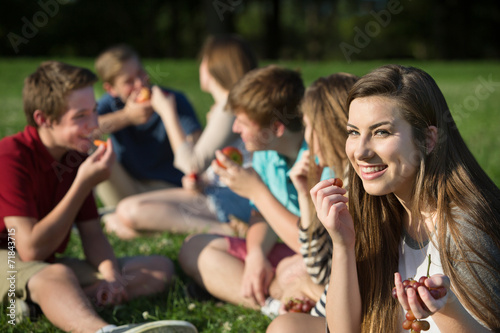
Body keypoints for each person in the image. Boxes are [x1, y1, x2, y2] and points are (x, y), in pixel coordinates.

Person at [268, 64, 500, 333]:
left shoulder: (464, 227)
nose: (361, 152)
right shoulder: (373, 208)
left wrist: (446, 308)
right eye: (354, 132)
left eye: (381, 132)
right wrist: (343, 243)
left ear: (428, 139)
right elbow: (343, 330)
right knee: (285, 327)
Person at [0, 61, 197, 333]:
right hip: (9, 258)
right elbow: (29, 249)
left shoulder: (75, 155)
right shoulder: (10, 156)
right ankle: (103, 331)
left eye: (94, 112)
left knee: (157, 268)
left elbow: (92, 234)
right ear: (43, 119)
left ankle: (40, 303)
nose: (93, 124)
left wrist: (111, 276)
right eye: (80, 116)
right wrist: (83, 183)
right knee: (57, 274)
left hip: (44, 265)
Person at [179, 64, 315, 310]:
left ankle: (277, 301)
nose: (235, 129)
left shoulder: (320, 160)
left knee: (291, 272)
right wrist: (255, 255)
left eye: (242, 122)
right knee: (194, 248)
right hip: (288, 251)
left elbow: (316, 250)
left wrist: (256, 192)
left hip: (317, 259)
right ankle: (277, 302)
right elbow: (260, 216)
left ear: (276, 128)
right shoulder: (266, 152)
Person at [103, 35, 258, 239]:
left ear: (213, 67)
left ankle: (226, 232)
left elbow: (191, 164)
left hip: (229, 199)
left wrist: (167, 113)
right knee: (117, 219)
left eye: (203, 61)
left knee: (125, 213)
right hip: (215, 193)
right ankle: (178, 230)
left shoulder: (229, 108)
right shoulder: (225, 108)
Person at [282, 73, 359, 318]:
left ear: (325, 128)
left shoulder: (359, 187)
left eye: (308, 126)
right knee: (287, 270)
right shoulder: (339, 175)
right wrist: (304, 197)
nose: (306, 137)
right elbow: (323, 271)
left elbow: (325, 276)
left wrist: (308, 294)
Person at [93, 44, 202, 210]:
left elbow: (199, 151)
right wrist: (127, 117)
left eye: (140, 73)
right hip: (127, 185)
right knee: (89, 149)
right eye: (128, 81)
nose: (140, 84)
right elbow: (85, 130)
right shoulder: (111, 104)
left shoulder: (172, 100)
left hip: (169, 188)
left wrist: (167, 112)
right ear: (111, 89)